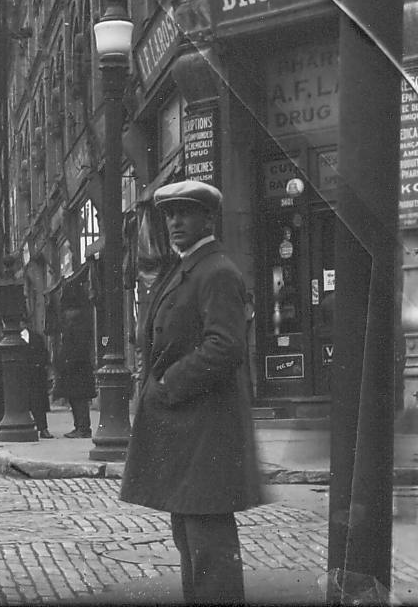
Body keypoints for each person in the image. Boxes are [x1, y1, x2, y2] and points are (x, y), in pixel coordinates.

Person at [119, 180, 265, 604]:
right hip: (189, 430)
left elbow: (226, 345)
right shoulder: (185, 267)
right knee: (190, 537)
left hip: (207, 430)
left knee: (209, 546)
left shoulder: (216, 270)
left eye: (186, 213)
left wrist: (167, 385)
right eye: (170, 215)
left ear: (208, 218)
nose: (176, 222)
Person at [54, 301, 97, 438]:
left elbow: (78, 350)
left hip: (78, 371)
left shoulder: (78, 329)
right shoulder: (73, 328)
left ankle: (83, 428)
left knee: (79, 400)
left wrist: (67, 362)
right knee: (75, 400)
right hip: (74, 371)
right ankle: (79, 426)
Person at [25, 321, 54, 438]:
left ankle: (43, 428)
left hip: (35, 376)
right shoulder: (5, 338)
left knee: (38, 403)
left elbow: (44, 355)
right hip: (17, 377)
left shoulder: (36, 338)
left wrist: (38, 365)